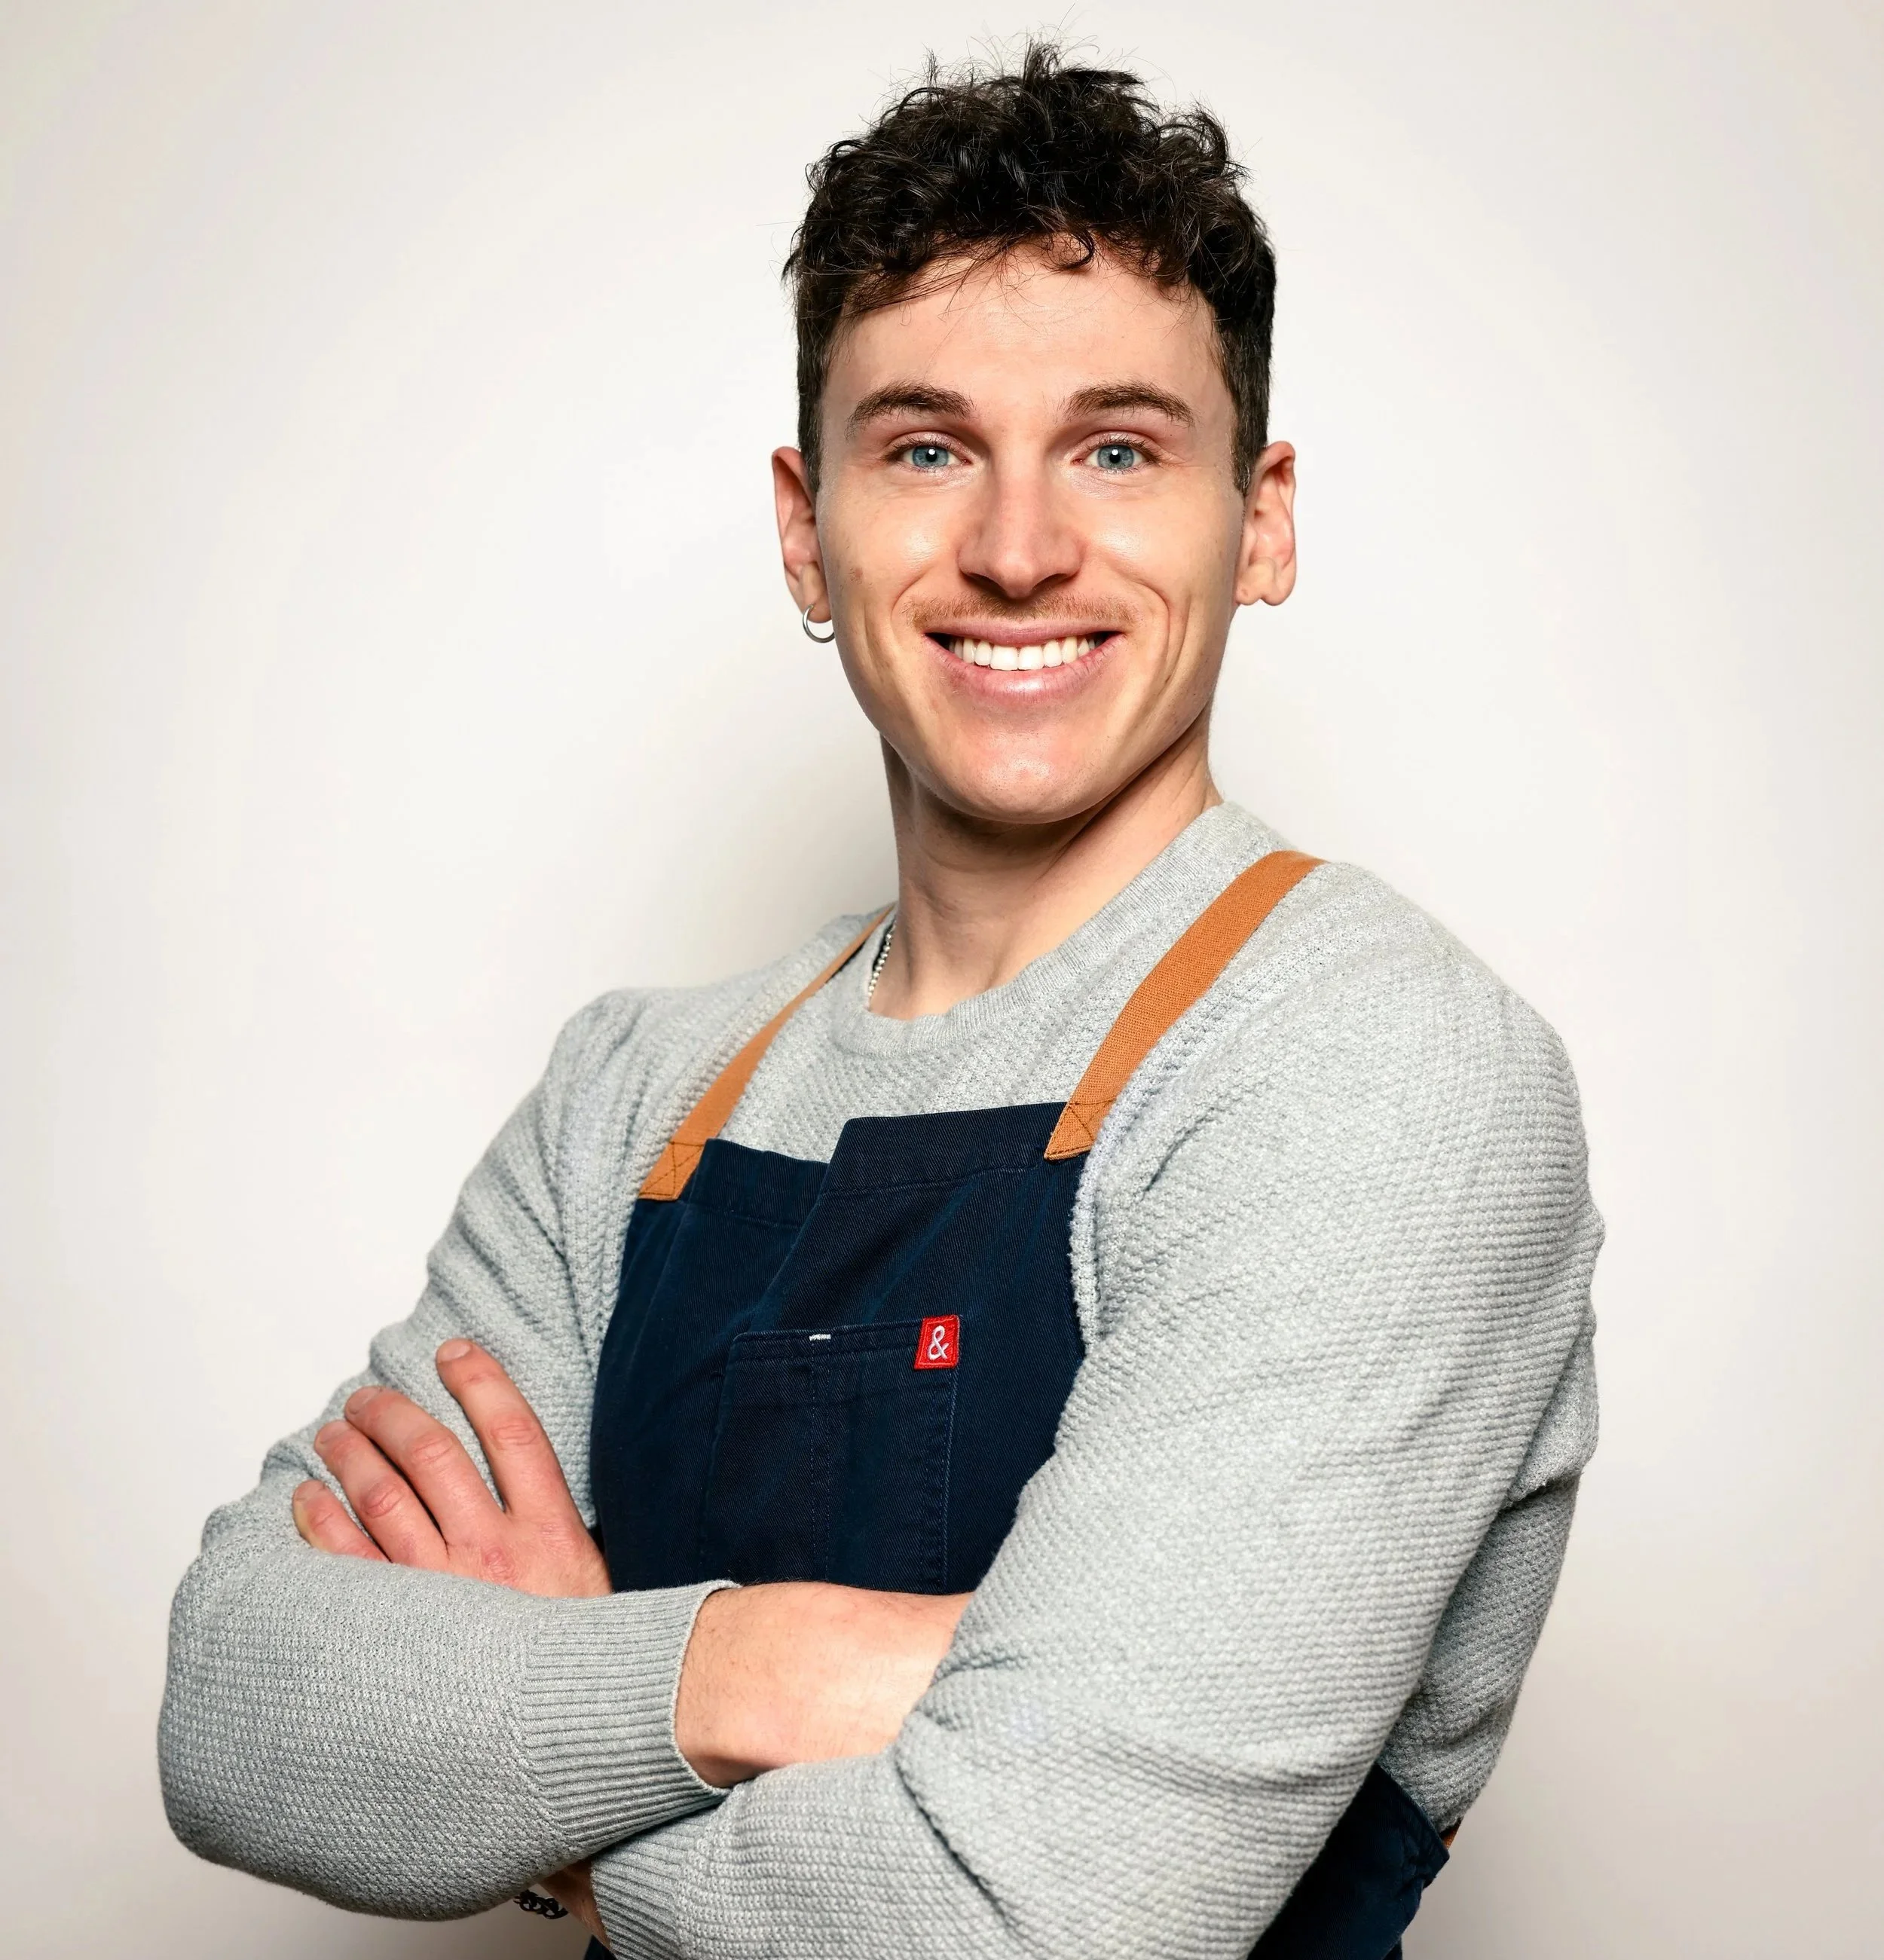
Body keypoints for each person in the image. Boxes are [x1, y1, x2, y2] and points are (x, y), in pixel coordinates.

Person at [159, 44, 1600, 1960]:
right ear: (800, 524)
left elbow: (1036, 1916)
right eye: (924, 445)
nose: (1015, 546)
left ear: (1255, 519)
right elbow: (240, 1703)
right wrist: (778, 1661)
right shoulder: (634, 1092)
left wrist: (558, 1780)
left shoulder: (1372, 1068)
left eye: (1116, 446)